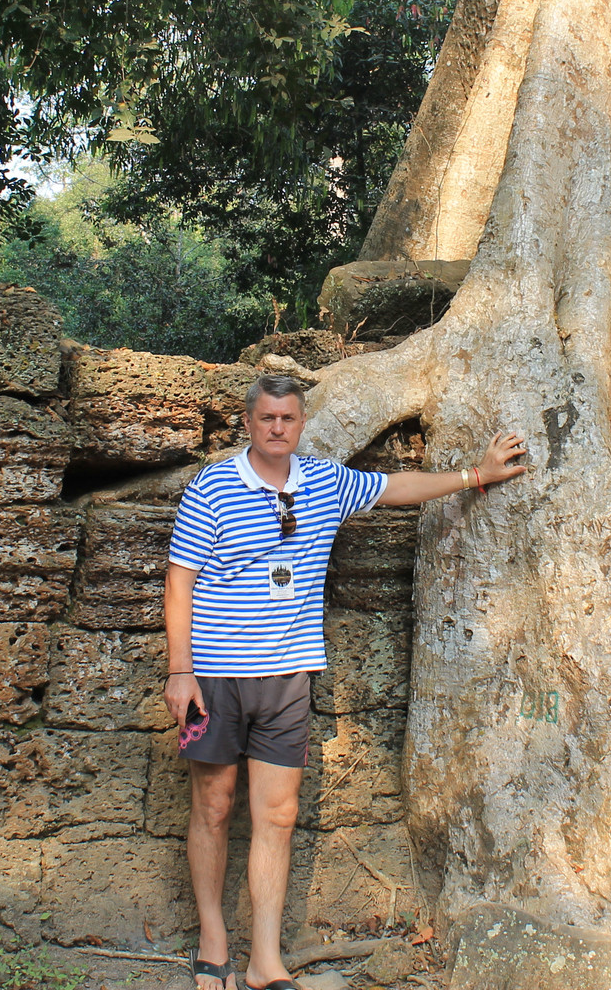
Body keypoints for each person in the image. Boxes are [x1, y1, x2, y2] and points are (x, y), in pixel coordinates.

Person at [163, 372, 531, 990]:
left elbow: (397, 487)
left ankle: (265, 961)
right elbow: (180, 581)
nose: (277, 428)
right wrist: (180, 672)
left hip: (288, 677)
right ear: (248, 423)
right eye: (266, 418)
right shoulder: (213, 487)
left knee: (278, 815)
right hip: (218, 675)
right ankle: (212, 940)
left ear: (301, 423)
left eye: (288, 418)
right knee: (214, 806)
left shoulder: (324, 482)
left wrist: (477, 475)